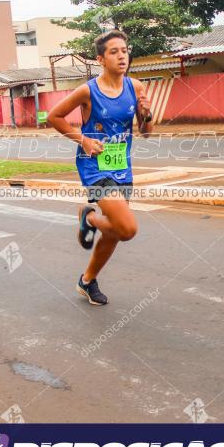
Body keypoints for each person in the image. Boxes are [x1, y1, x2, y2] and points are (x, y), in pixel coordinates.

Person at [47, 30, 153, 306]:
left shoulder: (136, 87)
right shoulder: (88, 91)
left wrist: (147, 114)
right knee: (127, 229)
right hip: (94, 166)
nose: (122, 56)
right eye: (114, 51)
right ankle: (90, 218)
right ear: (101, 59)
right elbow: (54, 117)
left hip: (122, 166)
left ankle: (87, 280)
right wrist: (82, 140)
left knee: (114, 233)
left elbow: (147, 133)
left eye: (125, 50)